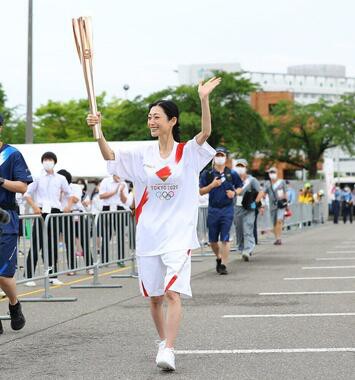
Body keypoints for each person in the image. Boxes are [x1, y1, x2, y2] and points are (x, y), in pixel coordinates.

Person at [87, 77, 220, 371]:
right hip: (148, 234)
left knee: (173, 292)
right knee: (154, 297)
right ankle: (162, 340)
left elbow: (206, 131)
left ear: (172, 121)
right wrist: (98, 131)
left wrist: (204, 99)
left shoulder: (187, 153)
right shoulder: (142, 154)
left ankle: (169, 349)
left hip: (177, 234)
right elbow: (110, 155)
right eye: (149, 117)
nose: (151, 121)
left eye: (156, 117)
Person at [0, 113, 33, 335]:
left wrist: (1, 181)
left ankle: (14, 304)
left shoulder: (12, 154)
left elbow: (23, 187)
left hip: (5, 219)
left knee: (3, 274)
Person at [24, 152, 74, 286]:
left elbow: (70, 194)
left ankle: (53, 275)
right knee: (36, 244)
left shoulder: (61, 178)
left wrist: (68, 206)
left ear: (54, 162)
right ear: (42, 162)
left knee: (52, 245)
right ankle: (29, 276)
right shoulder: (37, 178)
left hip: (55, 211)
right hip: (41, 212)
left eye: (50, 159)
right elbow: (27, 194)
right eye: (45, 159)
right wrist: (34, 206)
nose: (48, 161)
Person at [199, 147, 242, 274]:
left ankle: (223, 264)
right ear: (213, 157)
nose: (219, 157)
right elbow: (200, 191)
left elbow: (240, 187)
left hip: (227, 209)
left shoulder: (231, 174)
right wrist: (212, 185)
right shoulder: (207, 174)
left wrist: (234, 193)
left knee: (225, 238)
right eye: (217, 155)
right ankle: (218, 257)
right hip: (213, 209)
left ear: (225, 158)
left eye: (221, 155)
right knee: (212, 240)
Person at [234, 159, 263, 261]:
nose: (240, 168)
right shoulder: (233, 179)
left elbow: (260, 192)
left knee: (248, 228)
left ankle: (247, 250)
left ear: (246, 168)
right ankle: (241, 248)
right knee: (239, 229)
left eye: (242, 166)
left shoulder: (252, 180)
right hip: (237, 208)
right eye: (238, 166)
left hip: (249, 208)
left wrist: (256, 202)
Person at [99, 174, 130, 263]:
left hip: (119, 208)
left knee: (120, 234)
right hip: (107, 207)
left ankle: (121, 259)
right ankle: (104, 259)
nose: (119, 177)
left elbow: (125, 200)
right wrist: (115, 191)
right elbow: (101, 196)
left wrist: (120, 192)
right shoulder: (105, 181)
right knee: (106, 234)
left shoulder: (123, 183)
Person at [263, 167, 288, 245]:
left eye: (273, 172)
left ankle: (279, 238)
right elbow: (263, 193)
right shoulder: (267, 184)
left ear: (277, 173)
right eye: (270, 172)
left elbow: (285, 192)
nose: (272, 174)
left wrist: (286, 202)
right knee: (274, 223)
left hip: (281, 205)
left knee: (279, 220)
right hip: (272, 205)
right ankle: (277, 238)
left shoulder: (282, 182)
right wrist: (261, 203)